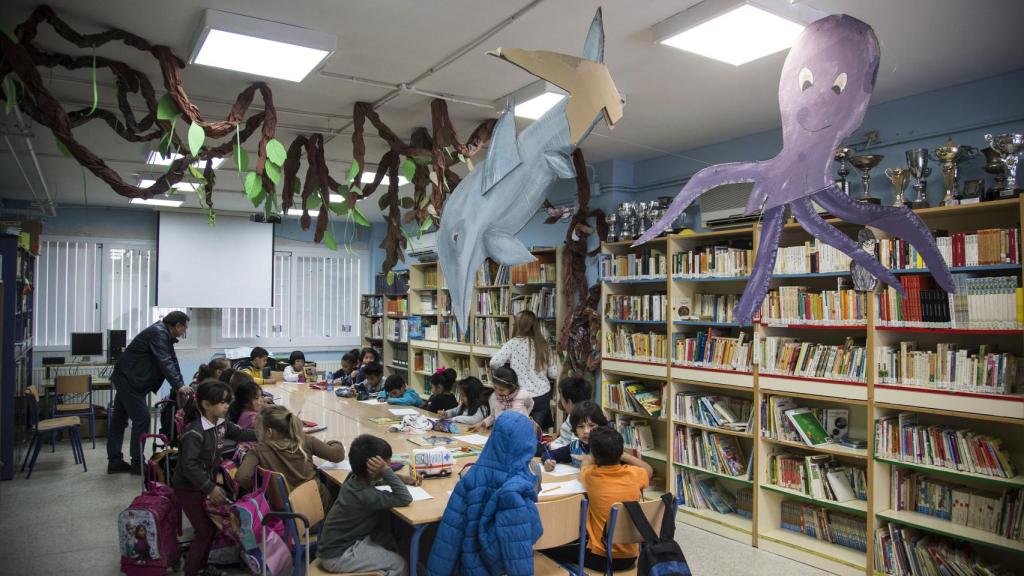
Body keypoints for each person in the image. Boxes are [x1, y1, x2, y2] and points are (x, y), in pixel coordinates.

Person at [427, 412, 543, 576]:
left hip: (469, 566)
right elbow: (520, 552)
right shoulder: (522, 485)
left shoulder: (470, 477)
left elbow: (448, 537)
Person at [172, 380, 257, 576]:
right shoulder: (194, 433)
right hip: (188, 488)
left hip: (202, 484)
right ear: (206, 405)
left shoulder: (221, 423)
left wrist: (265, 434)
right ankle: (193, 571)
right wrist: (210, 487)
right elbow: (188, 466)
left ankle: (201, 567)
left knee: (209, 529)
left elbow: (240, 432)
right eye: (223, 402)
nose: (227, 406)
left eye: (228, 401)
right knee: (204, 531)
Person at [542, 426, 653, 572]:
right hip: (631, 555)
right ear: (620, 451)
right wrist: (623, 455)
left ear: (593, 454)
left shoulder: (591, 476)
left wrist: (588, 458)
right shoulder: (635, 474)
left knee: (546, 546)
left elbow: (584, 467)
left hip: (601, 557)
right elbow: (649, 470)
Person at [316, 434, 418, 575]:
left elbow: (376, 481)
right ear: (372, 468)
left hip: (341, 543)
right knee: (399, 565)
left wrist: (402, 478)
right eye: (386, 463)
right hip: (338, 555)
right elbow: (404, 497)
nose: (389, 465)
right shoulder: (364, 495)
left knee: (387, 539)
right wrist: (386, 472)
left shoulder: (354, 477)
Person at [107, 311, 190, 474]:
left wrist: (179, 384)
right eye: (184, 328)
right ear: (177, 325)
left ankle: (115, 461)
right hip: (128, 379)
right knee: (142, 417)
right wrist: (179, 385)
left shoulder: (164, 335)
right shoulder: (158, 333)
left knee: (119, 420)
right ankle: (137, 462)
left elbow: (172, 361)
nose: (184, 332)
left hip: (130, 378)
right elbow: (164, 360)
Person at [236, 404, 346, 512]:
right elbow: (338, 455)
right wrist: (333, 442)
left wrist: (261, 490)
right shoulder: (305, 441)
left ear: (269, 432)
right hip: (318, 509)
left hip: (284, 514)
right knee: (337, 487)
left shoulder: (258, 450)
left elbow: (241, 477)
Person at [489, 311, 559, 430]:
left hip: (520, 396)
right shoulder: (544, 345)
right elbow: (553, 374)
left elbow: (494, 362)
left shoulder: (512, 343)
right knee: (535, 432)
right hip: (542, 396)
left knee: (518, 431)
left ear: (517, 325)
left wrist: (508, 371)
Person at [470, 366, 532, 432]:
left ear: (512, 387)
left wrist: (525, 417)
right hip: (502, 432)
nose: (497, 392)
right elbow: (493, 416)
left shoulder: (523, 394)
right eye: (495, 387)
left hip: (520, 431)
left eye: (501, 390)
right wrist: (482, 423)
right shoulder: (493, 397)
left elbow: (530, 405)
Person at [550, 377, 592, 449]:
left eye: (561, 398)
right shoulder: (573, 414)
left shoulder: (580, 420)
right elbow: (565, 438)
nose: (560, 401)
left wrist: (552, 446)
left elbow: (575, 449)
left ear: (569, 402)